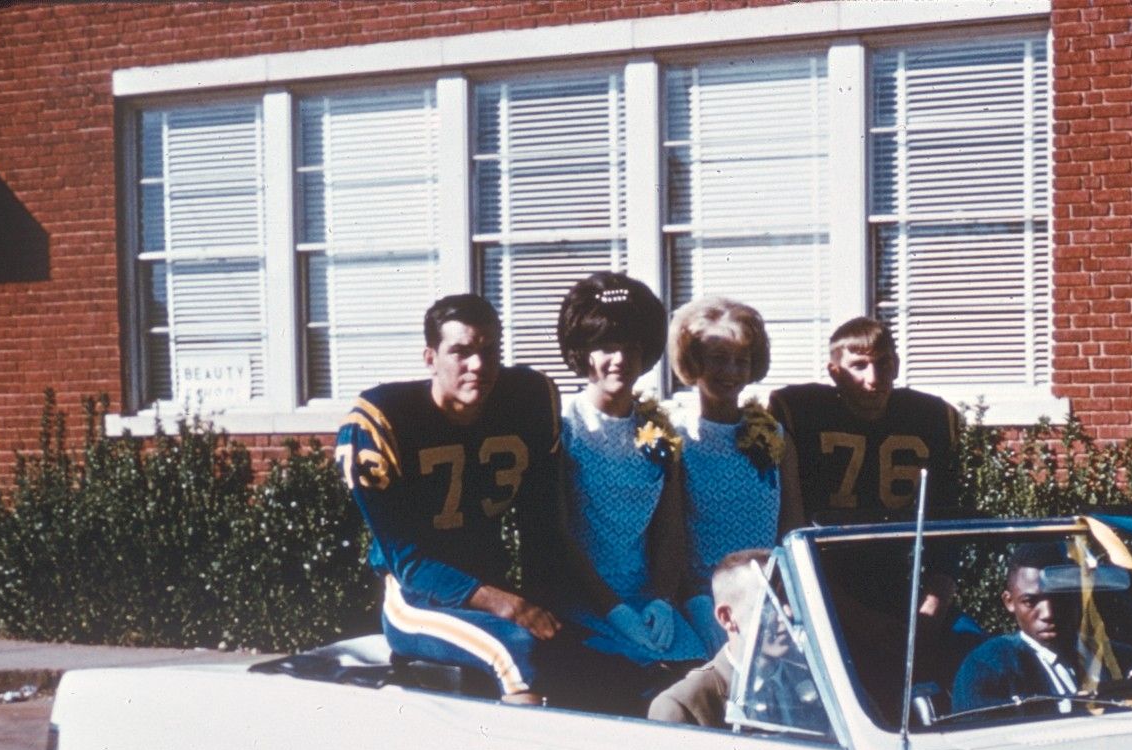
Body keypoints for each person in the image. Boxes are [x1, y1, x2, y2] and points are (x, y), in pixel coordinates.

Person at [336, 293, 562, 705]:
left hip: (496, 584)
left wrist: (546, 601)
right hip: (417, 600)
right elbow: (409, 562)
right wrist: (505, 604)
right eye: (460, 352)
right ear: (430, 357)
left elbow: (542, 528)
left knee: (585, 645)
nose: (478, 365)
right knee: (515, 649)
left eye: (489, 350)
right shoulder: (385, 418)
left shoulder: (527, 400)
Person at [546, 271, 705, 666]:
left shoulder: (657, 429)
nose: (619, 360)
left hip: (647, 605)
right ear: (584, 354)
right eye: (606, 347)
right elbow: (560, 533)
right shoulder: (564, 427)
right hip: (584, 605)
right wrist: (614, 610)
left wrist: (662, 599)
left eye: (631, 348)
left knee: (702, 681)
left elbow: (670, 528)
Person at [665, 297, 805, 651]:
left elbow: (792, 526)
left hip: (771, 593)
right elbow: (671, 535)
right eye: (717, 359)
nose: (730, 372)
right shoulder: (677, 437)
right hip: (705, 600)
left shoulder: (774, 436)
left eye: (740, 361)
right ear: (693, 362)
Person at [770, 317, 963, 521]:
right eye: (859, 366)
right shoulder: (802, 409)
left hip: (901, 546)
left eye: (883, 364)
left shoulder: (929, 414)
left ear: (896, 366)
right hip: (826, 545)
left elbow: (943, 505)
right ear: (835, 373)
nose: (873, 378)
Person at [648, 547, 826, 734]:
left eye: (790, 600)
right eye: (770, 604)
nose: (787, 613)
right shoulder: (683, 706)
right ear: (727, 618)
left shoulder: (816, 684)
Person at [951, 542, 1105, 713]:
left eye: (1059, 598)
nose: (1048, 613)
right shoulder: (987, 668)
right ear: (1009, 601)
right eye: (1030, 601)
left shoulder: (1109, 657)